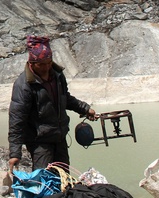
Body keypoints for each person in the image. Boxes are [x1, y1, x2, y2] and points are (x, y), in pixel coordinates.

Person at [8, 35, 97, 172]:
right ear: (31, 63)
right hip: (39, 141)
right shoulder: (24, 85)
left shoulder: (57, 75)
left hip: (59, 137)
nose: (46, 67)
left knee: (63, 175)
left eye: (49, 62)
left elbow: (64, 98)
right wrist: (15, 153)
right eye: (41, 64)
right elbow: (17, 119)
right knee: (44, 177)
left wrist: (84, 109)